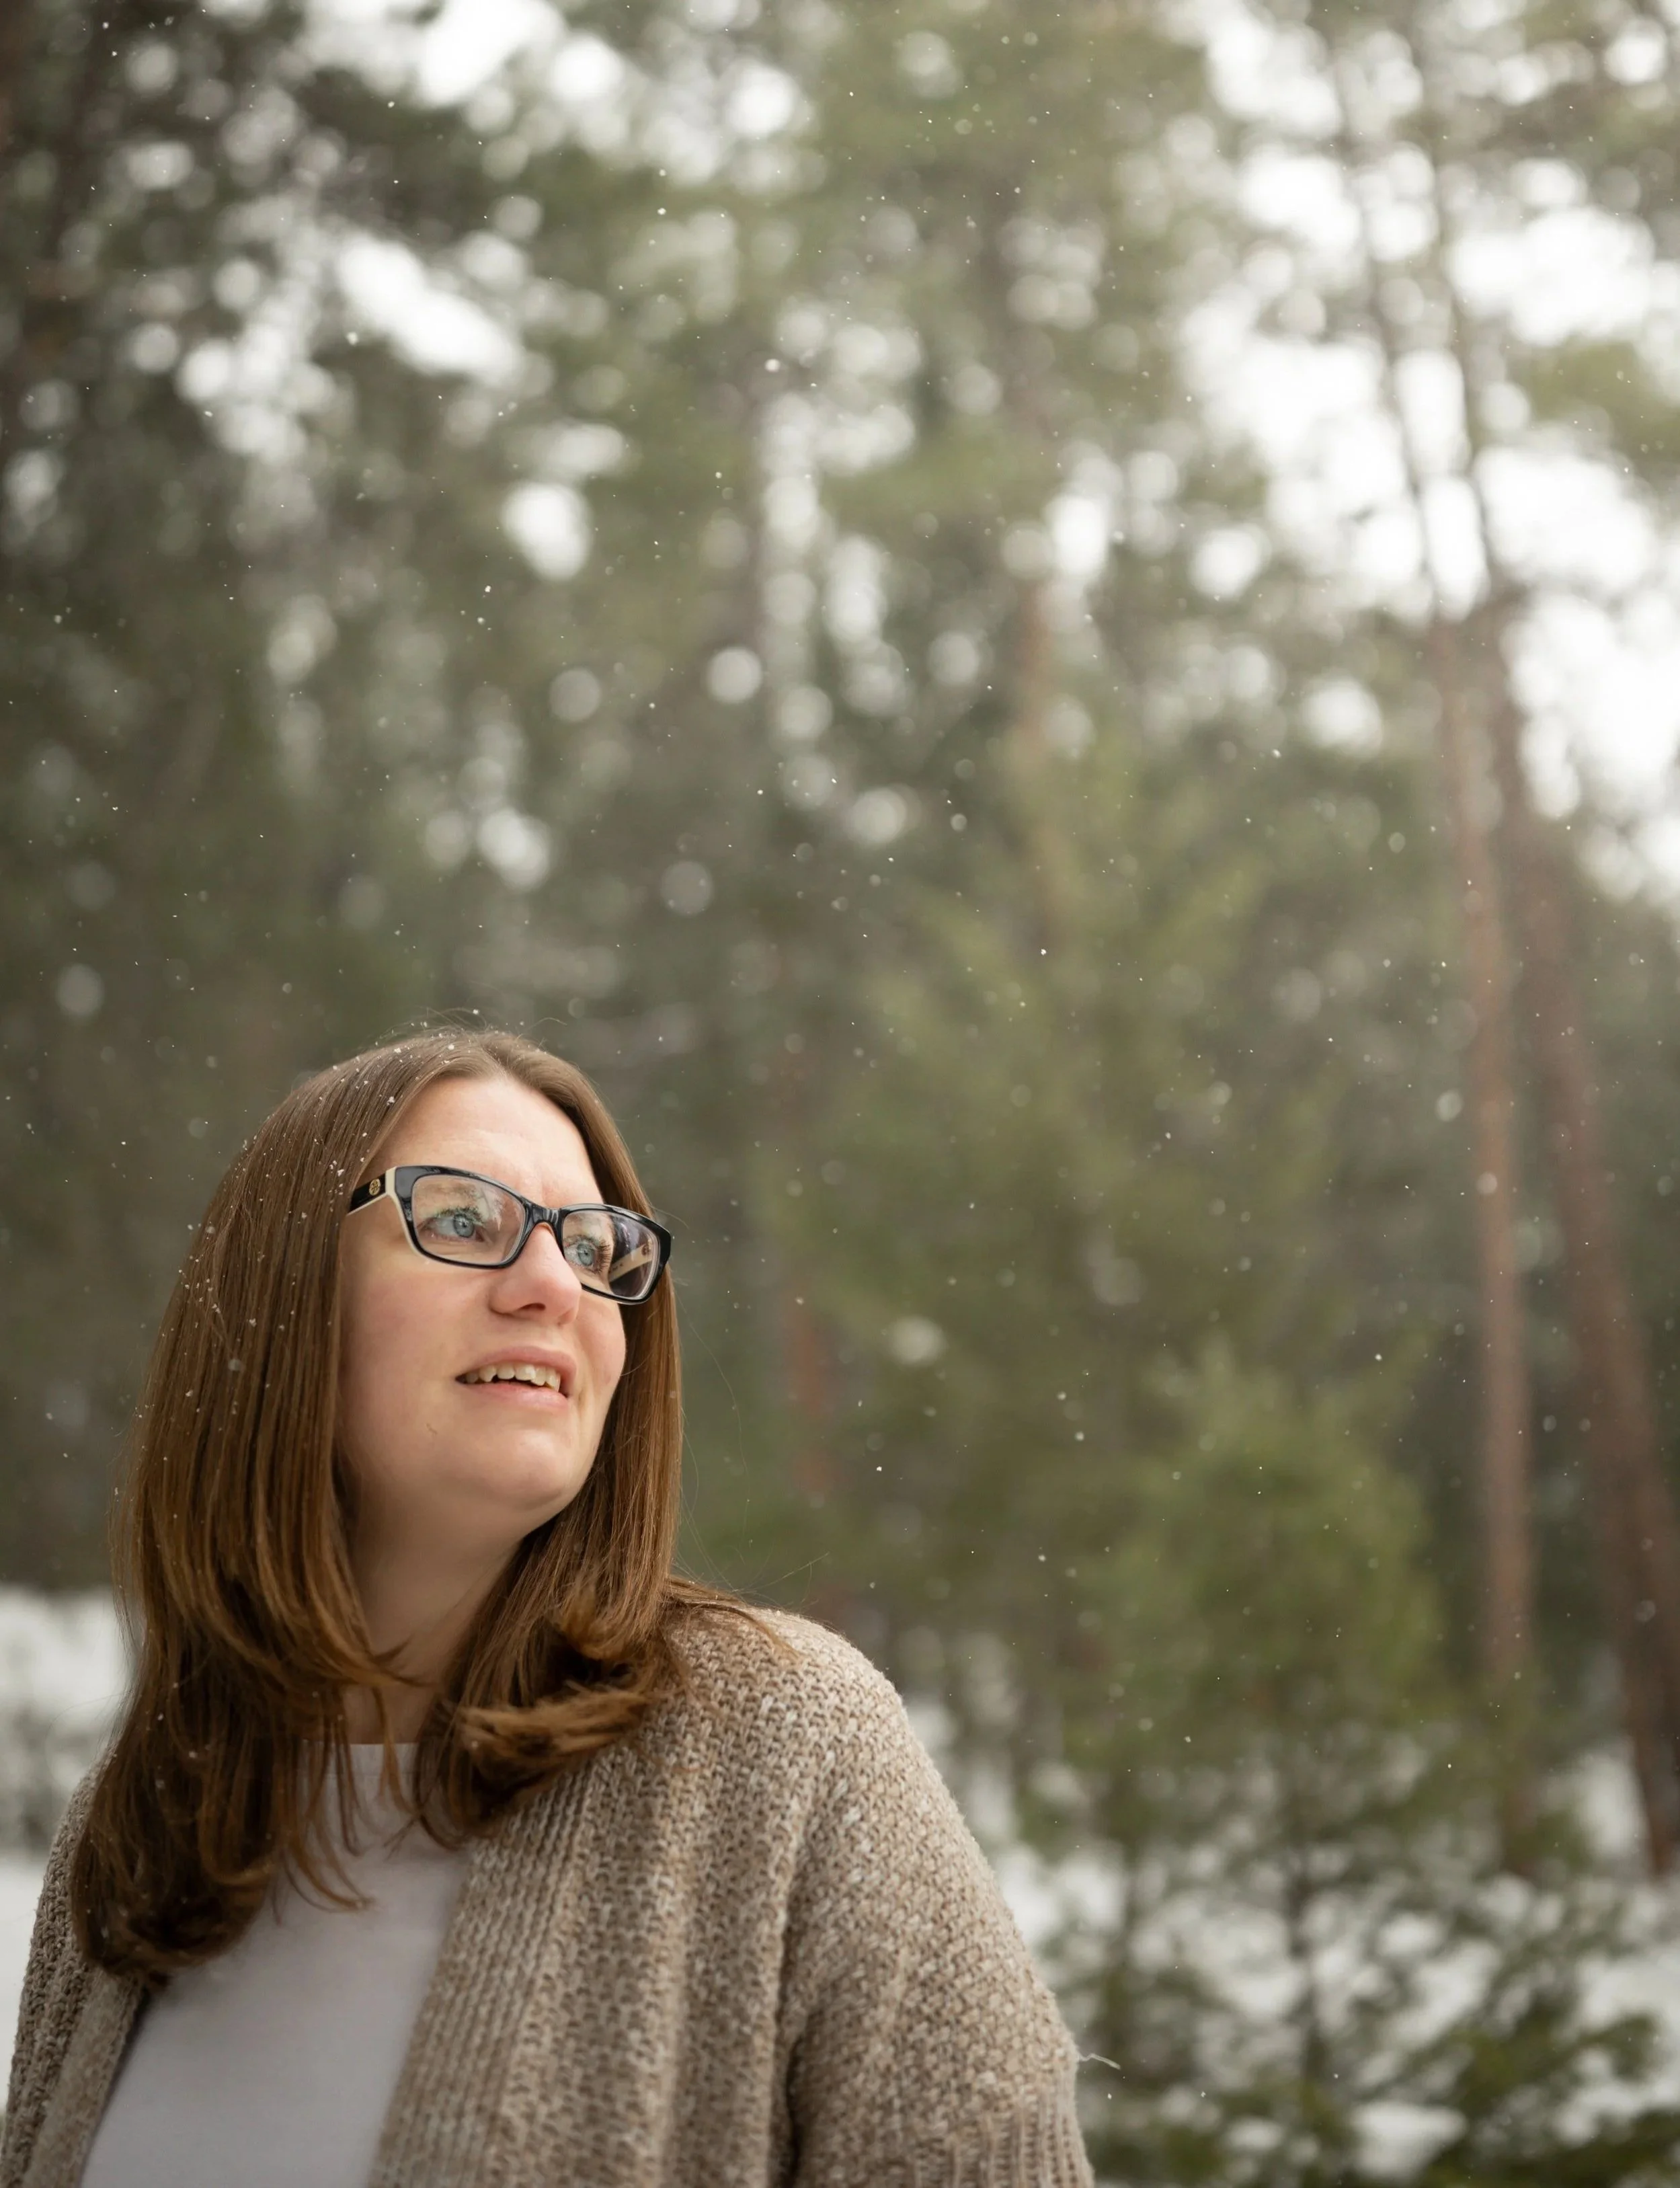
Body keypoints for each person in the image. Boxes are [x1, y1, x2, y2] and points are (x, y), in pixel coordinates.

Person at [2, 1028, 1092, 2188]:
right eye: (464, 1220)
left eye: (593, 1245)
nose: (551, 1284)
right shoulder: (141, 1819)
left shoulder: (794, 1753)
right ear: (276, 1296)